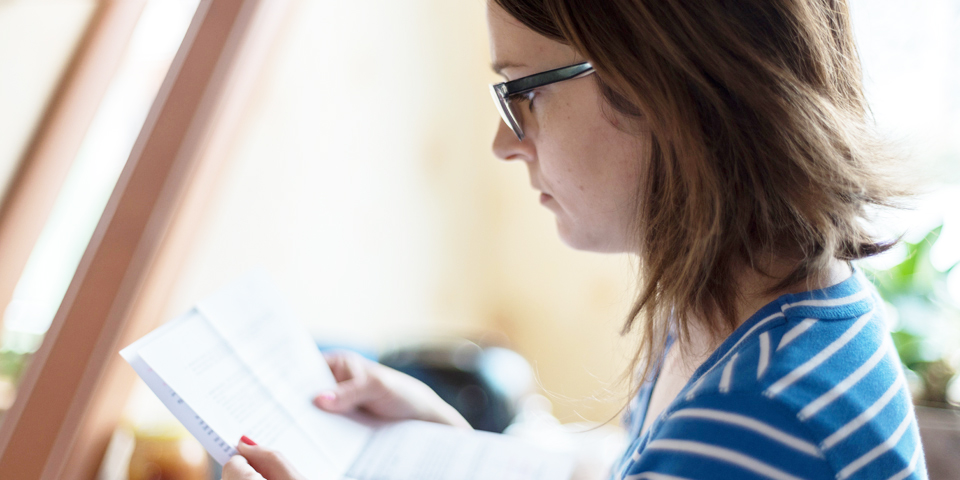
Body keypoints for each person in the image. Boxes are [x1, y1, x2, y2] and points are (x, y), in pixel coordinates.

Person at [224, 0, 927, 479]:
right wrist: (446, 445)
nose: (505, 143)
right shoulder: (743, 313)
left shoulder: (754, 417)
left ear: (657, 86)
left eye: (521, 91)